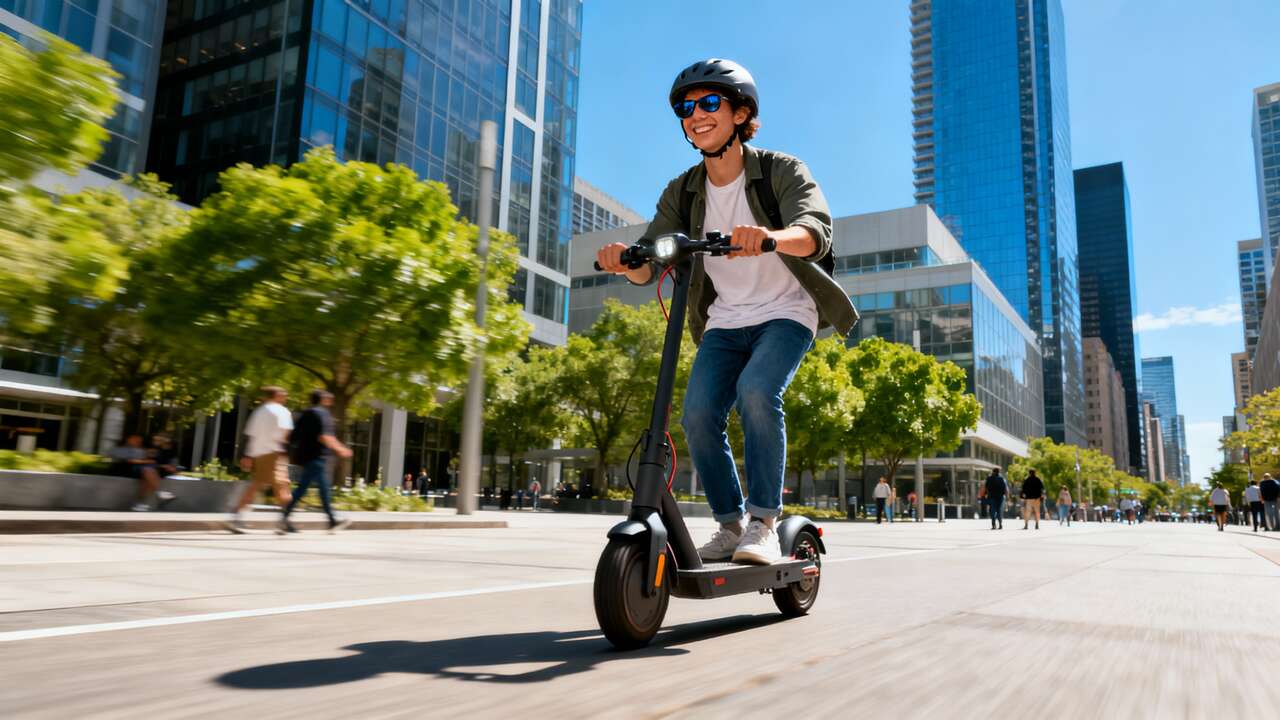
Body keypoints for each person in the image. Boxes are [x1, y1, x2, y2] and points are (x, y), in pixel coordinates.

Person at [595, 59, 855, 565]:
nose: (697, 115)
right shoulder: (683, 190)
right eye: (687, 109)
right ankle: (731, 525)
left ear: (741, 113)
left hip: (786, 311)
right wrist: (625, 261)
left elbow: (816, 232)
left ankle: (763, 521)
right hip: (725, 320)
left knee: (757, 392)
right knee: (696, 416)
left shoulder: (780, 170)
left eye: (710, 103)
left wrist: (770, 238)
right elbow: (652, 261)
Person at [279, 390, 353, 534]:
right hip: (317, 457)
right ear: (323, 399)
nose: (330, 400)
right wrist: (341, 449)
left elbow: (291, 436)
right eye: (328, 398)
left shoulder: (305, 413)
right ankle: (332, 520)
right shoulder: (322, 413)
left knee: (303, 489)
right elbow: (325, 436)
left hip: (305, 457)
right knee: (323, 488)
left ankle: (285, 517)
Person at [228, 386, 294, 532]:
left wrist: (247, 456)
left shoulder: (258, 412)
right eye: (283, 395)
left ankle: (238, 517)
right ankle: (284, 520)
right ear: (277, 396)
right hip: (273, 453)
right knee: (278, 485)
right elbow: (285, 434)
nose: (285, 398)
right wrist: (284, 453)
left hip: (259, 453)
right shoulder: (282, 411)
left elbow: (251, 435)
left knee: (262, 484)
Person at [109, 434, 175, 511]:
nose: (138, 442)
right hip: (125, 469)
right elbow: (130, 460)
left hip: (142, 470)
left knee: (148, 476)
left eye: (139, 440)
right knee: (148, 471)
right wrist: (147, 460)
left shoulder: (142, 449)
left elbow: (153, 458)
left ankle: (140, 504)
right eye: (135, 440)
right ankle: (159, 492)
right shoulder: (121, 449)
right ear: (128, 439)